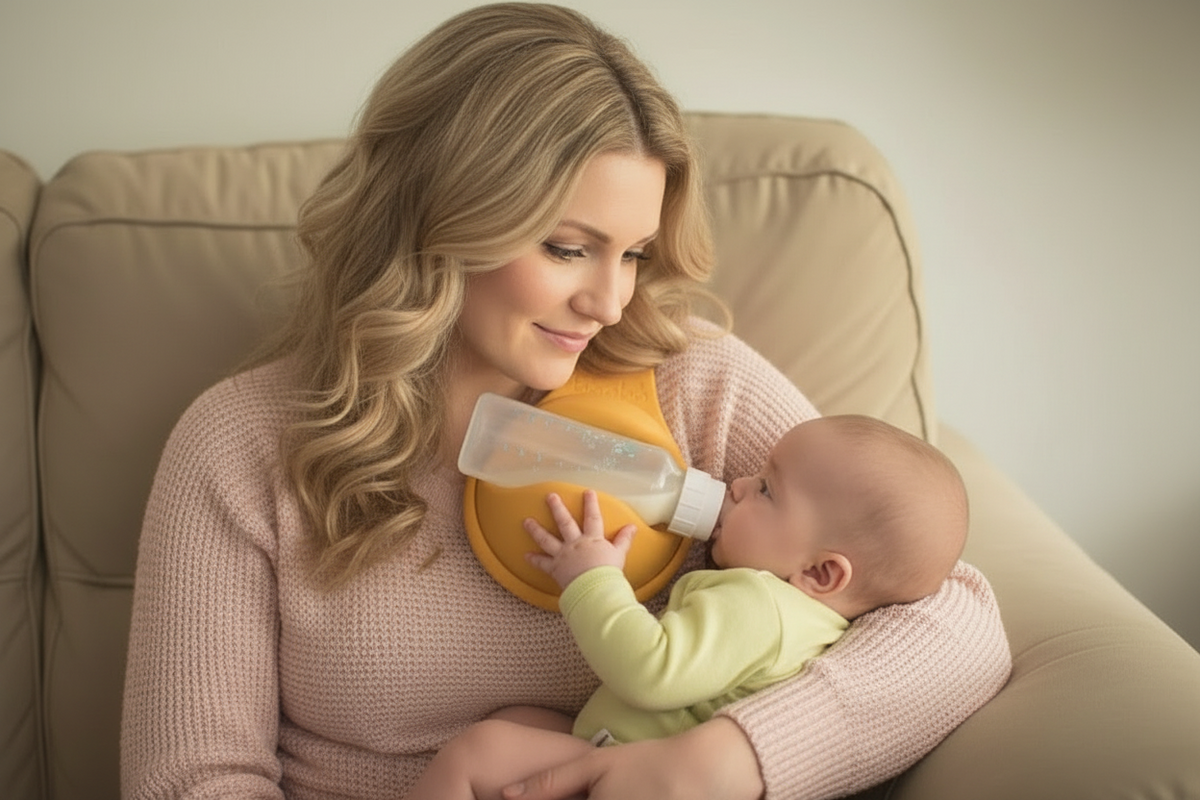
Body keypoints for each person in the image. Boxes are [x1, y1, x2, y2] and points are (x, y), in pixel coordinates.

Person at [119, 4, 1010, 800]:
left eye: (632, 254)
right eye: (568, 247)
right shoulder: (243, 443)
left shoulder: (690, 383)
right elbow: (194, 777)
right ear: (434, 218)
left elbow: (953, 618)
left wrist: (729, 760)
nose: (611, 302)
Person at [406, 414, 969, 800]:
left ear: (821, 572)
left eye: (768, 490)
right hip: (618, 747)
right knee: (520, 724)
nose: (740, 484)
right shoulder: (803, 618)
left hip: (633, 774)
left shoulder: (760, 606)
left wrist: (593, 579)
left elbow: (652, 672)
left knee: (480, 751)